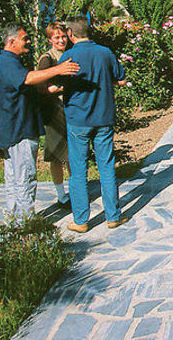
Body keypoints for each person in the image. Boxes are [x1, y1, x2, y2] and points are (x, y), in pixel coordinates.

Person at [0, 23, 79, 217]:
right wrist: (58, 69)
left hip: (12, 130)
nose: (28, 41)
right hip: (18, 131)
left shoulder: (7, 61)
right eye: (25, 39)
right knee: (24, 179)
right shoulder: (7, 62)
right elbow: (27, 78)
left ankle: (15, 220)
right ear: (11, 42)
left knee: (14, 179)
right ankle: (26, 223)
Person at [59, 16, 129, 233]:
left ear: (70, 33)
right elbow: (121, 79)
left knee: (79, 170)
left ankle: (81, 220)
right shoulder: (105, 53)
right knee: (106, 166)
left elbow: (59, 83)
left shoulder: (68, 56)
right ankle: (113, 216)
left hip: (78, 120)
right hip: (103, 117)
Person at [37, 22, 72, 208]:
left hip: (71, 110)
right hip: (55, 112)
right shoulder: (47, 59)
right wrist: (61, 88)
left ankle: (76, 190)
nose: (61, 40)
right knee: (57, 156)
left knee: (73, 154)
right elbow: (41, 86)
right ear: (50, 39)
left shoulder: (70, 54)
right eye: (57, 37)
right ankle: (61, 195)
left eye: (63, 36)